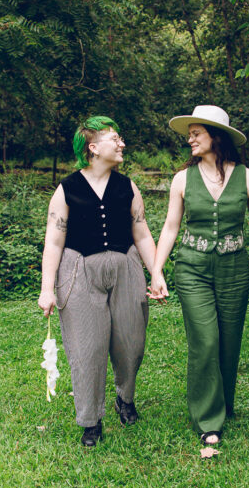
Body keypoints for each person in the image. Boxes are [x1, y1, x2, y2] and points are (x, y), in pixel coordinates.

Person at [150, 105, 249, 445]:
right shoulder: (182, 179)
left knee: (228, 342)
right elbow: (170, 227)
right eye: (189, 134)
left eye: (196, 133)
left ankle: (222, 404)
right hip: (192, 268)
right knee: (205, 339)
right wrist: (157, 270)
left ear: (215, 136)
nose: (189, 139)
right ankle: (209, 421)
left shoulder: (248, 177)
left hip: (235, 269)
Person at [38, 116, 160, 447]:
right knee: (87, 349)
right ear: (93, 148)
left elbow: (142, 231)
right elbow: (53, 241)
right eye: (115, 139)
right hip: (79, 270)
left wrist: (157, 272)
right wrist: (47, 289)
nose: (122, 144)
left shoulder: (128, 186)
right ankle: (91, 421)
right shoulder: (67, 189)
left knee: (131, 345)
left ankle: (125, 397)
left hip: (126, 269)